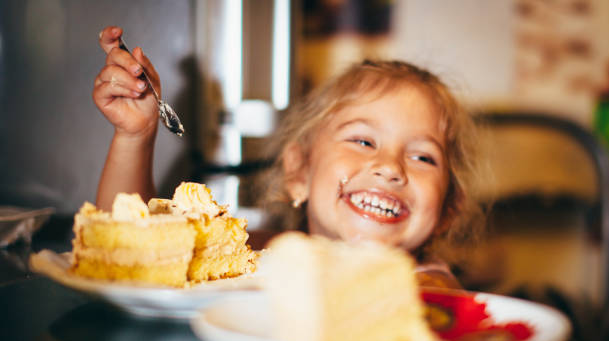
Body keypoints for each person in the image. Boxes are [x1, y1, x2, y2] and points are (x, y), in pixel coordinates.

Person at [93, 26, 484, 289]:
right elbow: (128, 249)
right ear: (298, 171)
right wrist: (135, 135)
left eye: (423, 157)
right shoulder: (259, 255)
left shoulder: (430, 290)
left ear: (449, 208)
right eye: (363, 141)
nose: (389, 167)